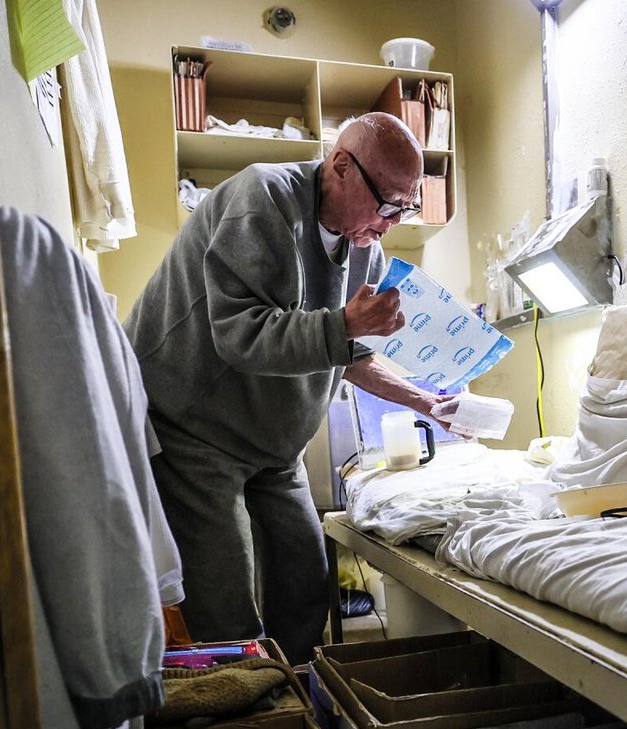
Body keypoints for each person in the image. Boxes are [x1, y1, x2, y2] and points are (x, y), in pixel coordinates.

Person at [126, 112, 445, 662]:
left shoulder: (365, 244)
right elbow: (239, 335)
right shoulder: (262, 201)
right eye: (387, 202)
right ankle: (253, 719)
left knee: (305, 579)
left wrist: (426, 401)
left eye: (406, 205)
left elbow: (349, 355)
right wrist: (344, 324)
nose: (393, 220)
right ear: (340, 167)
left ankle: (296, 695)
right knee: (224, 595)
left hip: (275, 448)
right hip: (195, 428)